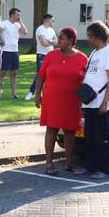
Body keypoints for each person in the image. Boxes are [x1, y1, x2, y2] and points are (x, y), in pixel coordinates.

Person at [34, 27, 87, 175]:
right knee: (52, 128)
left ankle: (69, 163)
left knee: (70, 130)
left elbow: (87, 80)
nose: (59, 40)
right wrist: (37, 94)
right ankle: (49, 163)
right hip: (52, 99)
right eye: (59, 37)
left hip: (72, 100)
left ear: (71, 40)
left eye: (62, 37)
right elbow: (41, 75)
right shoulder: (51, 55)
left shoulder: (83, 58)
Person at [78, 21, 109, 179]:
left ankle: (103, 168)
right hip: (90, 102)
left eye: (90, 35)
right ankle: (90, 166)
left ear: (98, 36)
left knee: (102, 137)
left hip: (102, 102)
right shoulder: (94, 53)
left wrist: (105, 103)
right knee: (90, 137)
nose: (88, 39)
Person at [0, 7, 27, 99]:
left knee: (14, 73)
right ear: (12, 15)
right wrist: (2, 39)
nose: (19, 16)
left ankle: (14, 94)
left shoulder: (17, 24)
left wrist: (20, 21)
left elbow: (25, 32)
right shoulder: (4, 23)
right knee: (2, 73)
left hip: (15, 51)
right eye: (18, 15)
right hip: (6, 51)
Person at [25, 13, 58, 100]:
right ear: (47, 20)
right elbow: (44, 43)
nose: (53, 22)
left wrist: (49, 41)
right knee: (40, 74)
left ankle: (48, 92)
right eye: (52, 20)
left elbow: (56, 41)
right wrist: (51, 41)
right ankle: (31, 92)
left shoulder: (52, 30)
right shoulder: (40, 29)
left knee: (50, 74)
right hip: (42, 55)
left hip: (51, 55)